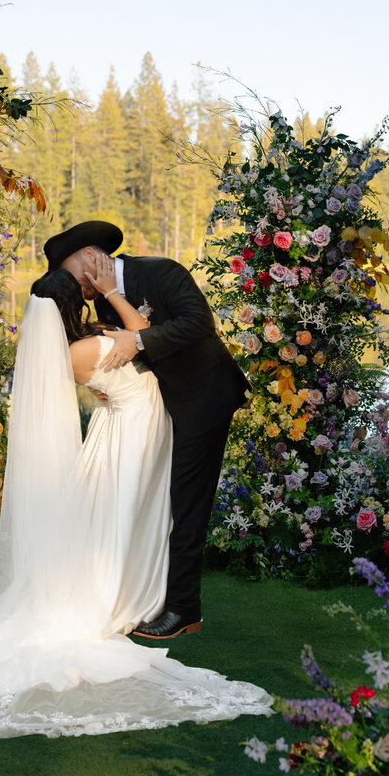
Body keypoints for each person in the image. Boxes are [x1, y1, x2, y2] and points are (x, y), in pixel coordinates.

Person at [0, 272, 271, 745]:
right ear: (71, 305)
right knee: (125, 512)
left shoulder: (77, 345)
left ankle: (133, 589)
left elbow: (117, 361)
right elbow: (140, 340)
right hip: (132, 430)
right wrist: (113, 295)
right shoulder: (89, 345)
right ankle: (123, 593)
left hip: (122, 425)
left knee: (116, 512)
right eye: (80, 292)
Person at [43, 219, 250, 639]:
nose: (72, 283)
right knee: (160, 497)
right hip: (157, 407)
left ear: (90, 256)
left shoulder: (160, 271)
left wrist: (136, 342)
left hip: (202, 398)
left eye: (70, 272)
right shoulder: (102, 301)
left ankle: (183, 610)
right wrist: (107, 382)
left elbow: (198, 326)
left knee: (186, 502)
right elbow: (119, 351)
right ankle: (147, 590)